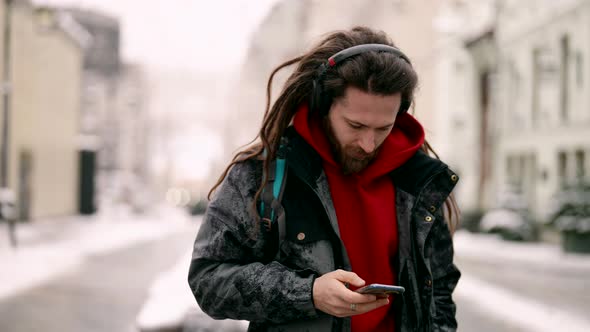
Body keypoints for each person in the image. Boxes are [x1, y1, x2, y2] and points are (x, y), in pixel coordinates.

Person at [188, 26, 461, 332]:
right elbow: (208, 279)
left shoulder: (419, 182)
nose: (369, 144)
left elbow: (438, 292)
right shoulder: (264, 173)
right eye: (355, 125)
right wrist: (308, 293)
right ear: (322, 104)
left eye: (383, 128)